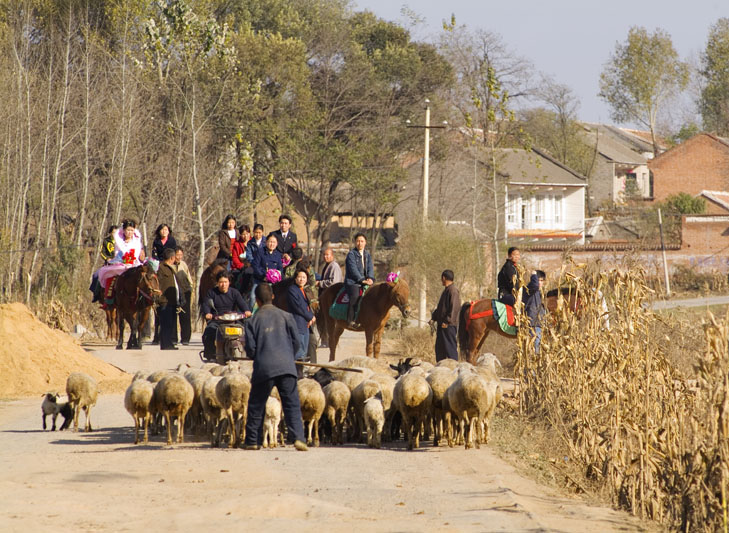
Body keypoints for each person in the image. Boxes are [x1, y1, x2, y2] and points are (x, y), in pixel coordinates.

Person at [242, 283, 308, 452]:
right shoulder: (287, 316)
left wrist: (258, 355)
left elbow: (250, 349)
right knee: (291, 403)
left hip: (264, 368)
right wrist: (288, 356)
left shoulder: (252, 321)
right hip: (287, 367)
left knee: (257, 404)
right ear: (272, 297)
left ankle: (252, 441)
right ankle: (299, 439)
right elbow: (297, 343)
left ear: (257, 300)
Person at [201, 271, 251, 358]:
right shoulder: (211, 292)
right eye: (221, 282)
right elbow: (206, 304)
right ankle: (210, 355)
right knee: (208, 333)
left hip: (233, 320)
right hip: (217, 320)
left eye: (225, 282)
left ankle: (248, 353)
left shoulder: (234, 292)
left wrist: (246, 310)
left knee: (247, 333)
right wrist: (208, 313)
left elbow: (242, 303)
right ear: (217, 283)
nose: (223, 285)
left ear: (229, 282)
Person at [96, 219, 148, 302]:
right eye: (128, 230)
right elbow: (117, 253)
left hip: (134, 264)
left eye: (132, 230)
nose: (130, 232)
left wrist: (139, 258)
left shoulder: (137, 242)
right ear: (124, 230)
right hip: (121, 264)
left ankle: (144, 300)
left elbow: (138, 254)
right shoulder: (119, 242)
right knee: (111, 277)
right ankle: (108, 299)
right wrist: (121, 260)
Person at [344, 233, 375, 328]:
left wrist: (370, 278)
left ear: (365, 243)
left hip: (365, 281)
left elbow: (370, 267)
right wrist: (361, 280)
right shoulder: (351, 254)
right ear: (355, 242)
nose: (360, 243)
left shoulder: (367, 254)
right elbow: (353, 270)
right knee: (355, 296)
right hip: (353, 282)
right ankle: (351, 320)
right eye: (358, 241)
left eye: (362, 241)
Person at [431, 270, 461, 362]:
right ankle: (441, 368)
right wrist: (433, 318)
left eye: (441, 278)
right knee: (440, 350)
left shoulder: (453, 291)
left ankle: (454, 368)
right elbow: (441, 308)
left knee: (450, 349)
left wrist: (447, 322)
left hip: (448, 326)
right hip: (442, 325)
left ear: (444, 278)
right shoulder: (446, 290)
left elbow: (454, 308)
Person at [287, 269, 316, 363]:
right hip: (297, 323)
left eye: (304, 277)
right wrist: (310, 316)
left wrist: (311, 316)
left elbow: (308, 306)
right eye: (299, 277)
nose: (301, 279)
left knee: (304, 351)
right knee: (299, 352)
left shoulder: (305, 290)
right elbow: (298, 307)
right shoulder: (292, 290)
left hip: (305, 324)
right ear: (295, 278)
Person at [157, 248, 181, 350]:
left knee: (170, 323)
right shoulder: (160, 268)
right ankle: (165, 344)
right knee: (165, 323)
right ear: (172, 257)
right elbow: (157, 283)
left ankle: (169, 342)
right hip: (164, 300)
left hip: (172, 300)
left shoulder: (170, 268)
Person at [251, 234, 283, 305]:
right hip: (260, 280)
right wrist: (264, 276)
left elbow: (280, 268)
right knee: (253, 297)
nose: (272, 244)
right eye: (270, 242)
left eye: (274, 242)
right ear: (266, 242)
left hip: (274, 283)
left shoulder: (278, 254)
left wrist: (277, 276)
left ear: (277, 243)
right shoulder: (260, 252)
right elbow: (256, 266)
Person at [524, 270, 546, 353]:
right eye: (538, 280)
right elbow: (535, 285)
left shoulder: (539, 293)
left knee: (538, 348)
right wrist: (533, 275)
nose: (539, 283)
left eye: (541, 280)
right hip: (532, 324)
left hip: (539, 324)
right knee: (535, 348)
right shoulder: (530, 289)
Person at [174, 246, 193, 345]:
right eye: (177, 255)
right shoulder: (169, 265)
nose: (179, 257)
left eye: (181, 255)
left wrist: (190, 288)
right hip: (174, 292)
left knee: (185, 315)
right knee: (173, 316)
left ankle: (185, 338)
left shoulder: (183, 264)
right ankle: (173, 338)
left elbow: (189, 277)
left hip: (185, 292)